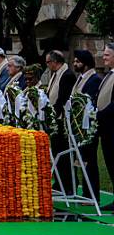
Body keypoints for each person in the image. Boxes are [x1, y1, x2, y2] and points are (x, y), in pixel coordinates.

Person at [45, 50, 77, 196]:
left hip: (62, 120)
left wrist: (52, 115)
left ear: (55, 62)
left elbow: (62, 98)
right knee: (57, 151)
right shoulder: (56, 74)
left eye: (48, 62)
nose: (47, 65)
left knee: (63, 153)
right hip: (55, 119)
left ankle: (69, 184)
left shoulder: (67, 75)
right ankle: (60, 182)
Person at [74, 49, 104, 203]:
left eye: (78, 61)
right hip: (79, 126)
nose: (75, 64)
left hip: (88, 127)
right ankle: (86, 191)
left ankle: (92, 193)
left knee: (89, 160)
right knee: (82, 160)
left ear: (85, 63)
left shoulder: (94, 79)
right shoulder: (81, 78)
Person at [92, 43, 114, 211]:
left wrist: (100, 114)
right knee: (109, 161)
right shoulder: (108, 75)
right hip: (105, 126)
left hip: (111, 125)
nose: (103, 57)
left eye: (107, 55)